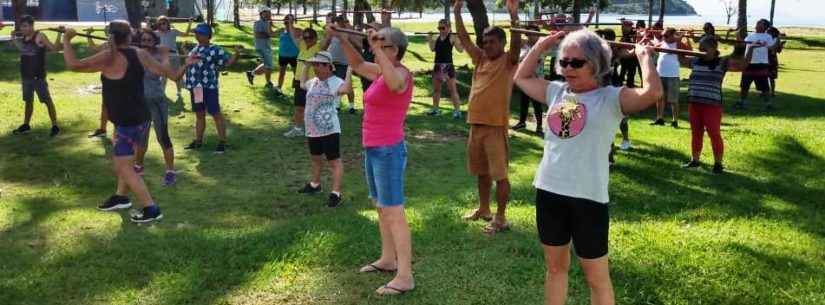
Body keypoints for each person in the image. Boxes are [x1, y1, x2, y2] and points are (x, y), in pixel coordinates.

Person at [514, 29, 662, 305]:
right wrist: (541, 46)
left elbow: (653, 92)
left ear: (596, 64)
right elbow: (521, 77)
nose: (567, 68)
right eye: (564, 62)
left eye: (576, 63)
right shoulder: (556, 92)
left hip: (588, 198)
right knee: (555, 268)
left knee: (596, 277)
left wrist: (644, 56)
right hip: (549, 191)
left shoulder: (612, 98)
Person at [62, 21, 196, 222]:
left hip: (127, 122)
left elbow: (74, 65)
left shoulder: (110, 56)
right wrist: (175, 59)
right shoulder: (139, 53)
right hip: (140, 118)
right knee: (127, 160)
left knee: (123, 166)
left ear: (112, 37)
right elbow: (172, 75)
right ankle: (121, 197)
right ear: (128, 37)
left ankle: (151, 208)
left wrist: (66, 40)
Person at [333, 24, 415, 296]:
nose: (376, 45)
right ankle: (388, 259)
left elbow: (395, 84)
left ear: (396, 50)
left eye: (383, 43)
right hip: (374, 148)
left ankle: (405, 276)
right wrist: (343, 38)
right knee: (380, 206)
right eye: (377, 41)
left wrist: (377, 49)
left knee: (393, 210)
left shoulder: (401, 74)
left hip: (389, 150)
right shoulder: (381, 71)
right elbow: (356, 64)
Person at [454, 0, 521, 234]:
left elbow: (517, 45)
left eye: (492, 42)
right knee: (481, 172)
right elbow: (464, 39)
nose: (487, 45)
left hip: (495, 127)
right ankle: (484, 209)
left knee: (499, 175)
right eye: (485, 41)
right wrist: (456, 12)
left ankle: (501, 218)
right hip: (475, 126)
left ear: (501, 43)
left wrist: (514, 17)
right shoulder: (481, 59)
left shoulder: (508, 61)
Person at [680, 36, 749, 174]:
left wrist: (749, 48)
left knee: (714, 134)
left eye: (704, 49)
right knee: (696, 133)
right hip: (694, 103)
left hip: (712, 105)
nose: (701, 51)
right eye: (700, 48)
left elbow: (743, 65)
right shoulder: (695, 61)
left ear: (713, 49)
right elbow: (680, 59)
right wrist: (678, 41)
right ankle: (695, 160)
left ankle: (718, 164)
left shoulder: (722, 62)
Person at [296, 51, 353, 207]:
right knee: (315, 158)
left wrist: (349, 71)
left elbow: (347, 89)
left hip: (329, 129)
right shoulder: (313, 82)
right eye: (314, 64)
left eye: (319, 64)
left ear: (329, 67)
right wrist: (305, 67)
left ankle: (336, 193)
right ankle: (315, 185)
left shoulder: (335, 81)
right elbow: (302, 84)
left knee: (334, 161)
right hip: (312, 128)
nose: (316, 67)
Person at [182, 24, 241, 153]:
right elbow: (191, 62)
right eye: (196, 33)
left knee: (215, 113)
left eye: (198, 33)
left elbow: (227, 63)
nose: (196, 35)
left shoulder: (215, 49)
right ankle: (198, 141)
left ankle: (222, 142)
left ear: (206, 35)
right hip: (196, 88)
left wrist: (236, 54)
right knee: (199, 114)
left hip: (209, 87)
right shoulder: (195, 49)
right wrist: (185, 52)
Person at [133, 29, 179, 186]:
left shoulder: (159, 56)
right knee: (141, 139)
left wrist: (166, 56)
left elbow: (171, 75)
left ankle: (170, 171)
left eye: (149, 40)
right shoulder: (135, 55)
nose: (145, 43)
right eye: (143, 40)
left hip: (157, 102)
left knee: (163, 137)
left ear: (155, 42)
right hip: (140, 103)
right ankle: (138, 167)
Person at [10, 15, 62, 137]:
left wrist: (60, 34)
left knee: (47, 101)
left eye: (25, 26)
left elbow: (54, 49)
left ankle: (55, 126)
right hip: (26, 76)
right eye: (21, 26)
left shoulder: (40, 36)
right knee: (28, 101)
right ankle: (26, 125)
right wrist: (13, 38)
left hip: (38, 77)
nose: (22, 28)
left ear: (32, 26)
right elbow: (23, 49)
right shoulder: (24, 37)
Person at [283, 28, 322, 138]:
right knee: (299, 106)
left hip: (313, 82)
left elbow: (328, 38)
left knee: (315, 107)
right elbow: (293, 35)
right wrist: (290, 24)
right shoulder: (302, 46)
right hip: (299, 81)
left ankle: (318, 129)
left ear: (315, 38)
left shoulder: (319, 47)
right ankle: (297, 129)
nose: (307, 40)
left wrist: (332, 27)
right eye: (305, 37)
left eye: (310, 37)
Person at [425, 19, 464, 119]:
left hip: (448, 66)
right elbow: (432, 49)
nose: (441, 30)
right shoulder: (437, 38)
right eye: (439, 28)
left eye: (443, 28)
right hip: (437, 65)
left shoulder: (452, 37)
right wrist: (429, 39)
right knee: (436, 90)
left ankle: (457, 111)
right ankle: (435, 109)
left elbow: (460, 50)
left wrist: (460, 39)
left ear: (449, 28)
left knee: (452, 90)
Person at [737, 19, 779, 110]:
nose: (757, 24)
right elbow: (743, 44)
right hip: (748, 64)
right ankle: (741, 102)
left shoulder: (767, 37)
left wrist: (777, 40)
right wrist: (737, 34)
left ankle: (768, 104)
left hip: (761, 64)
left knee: (764, 87)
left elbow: (772, 48)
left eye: (760, 23)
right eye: (757, 22)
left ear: (764, 27)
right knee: (744, 85)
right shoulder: (750, 36)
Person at [512, 25, 546, 136]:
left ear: (538, 35)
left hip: (536, 79)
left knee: (537, 104)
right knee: (524, 101)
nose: (530, 36)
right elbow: (520, 59)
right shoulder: (525, 46)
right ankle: (522, 122)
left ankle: (539, 126)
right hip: (525, 79)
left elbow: (537, 61)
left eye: (533, 33)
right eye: (529, 34)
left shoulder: (541, 46)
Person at [321, 15, 359, 114]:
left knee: (346, 85)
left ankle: (351, 106)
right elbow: (324, 46)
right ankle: (336, 105)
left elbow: (357, 45)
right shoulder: (332, 32)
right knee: (334, 84)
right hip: (333, 62)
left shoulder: (348, 33)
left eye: (341, 21)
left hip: (345, 63)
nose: (339, 23)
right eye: (337, 21)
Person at [155, 15, 193, 101]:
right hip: (164, 57)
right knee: (163, 76)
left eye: (164, 23)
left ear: (167, 23)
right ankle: (162, 93)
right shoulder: (157, 33)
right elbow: (146, 33)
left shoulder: (173, 31)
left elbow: (186, 34)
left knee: (177, 76)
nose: (162, 25)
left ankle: (179, 92)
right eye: (160, 24)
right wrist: (148, 22)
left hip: (174, 56)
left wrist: (190, 23)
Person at [651, 28, 683, 128]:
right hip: (660, 74)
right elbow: (653, 48)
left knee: (673, 100)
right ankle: (659, 118)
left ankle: (675, 121)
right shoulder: (662, 43)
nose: (664, 37)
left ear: (673, 35)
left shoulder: (678, 44)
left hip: (673, 75)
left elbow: (688, 50)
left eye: (666, 36)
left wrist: (681, 39)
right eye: (663, 35)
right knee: (660, 98)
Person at [245, 6, 276, 89]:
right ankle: (253, 74)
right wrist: (269, 34)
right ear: (262, 14)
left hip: (266, 46)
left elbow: (271, 34)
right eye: (267, 13)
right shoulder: (258, 23)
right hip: (261, 47)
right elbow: (257, 34)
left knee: (267, 65)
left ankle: (254, 75)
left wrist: (278, 32)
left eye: (269, 13)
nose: (269, 15)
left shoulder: (268, 23)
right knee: (268, 65)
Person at [274, 14, 300, 91]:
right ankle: (279, 88)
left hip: (294, 56)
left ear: (293, 21)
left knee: (296, 74)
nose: (287, 21)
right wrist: (268, 22)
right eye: (286, 20)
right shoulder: (281, 30)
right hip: (283, 55)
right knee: (281, 73)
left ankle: (298, 90)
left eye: (289, 20)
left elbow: (296, 35)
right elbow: (271, 33)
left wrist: (290, 24)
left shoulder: (297, 30)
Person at [766, 26, 783, 98]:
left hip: (772, 60)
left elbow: (779, 51)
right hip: (765, 58)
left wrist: (781, 45)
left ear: (773, 33)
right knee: (764, 77)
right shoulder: (766, 39)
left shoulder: (776, 39)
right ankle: (764, 91)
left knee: (771, 77)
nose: (767, 33)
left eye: (768, 32)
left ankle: (772, 92)